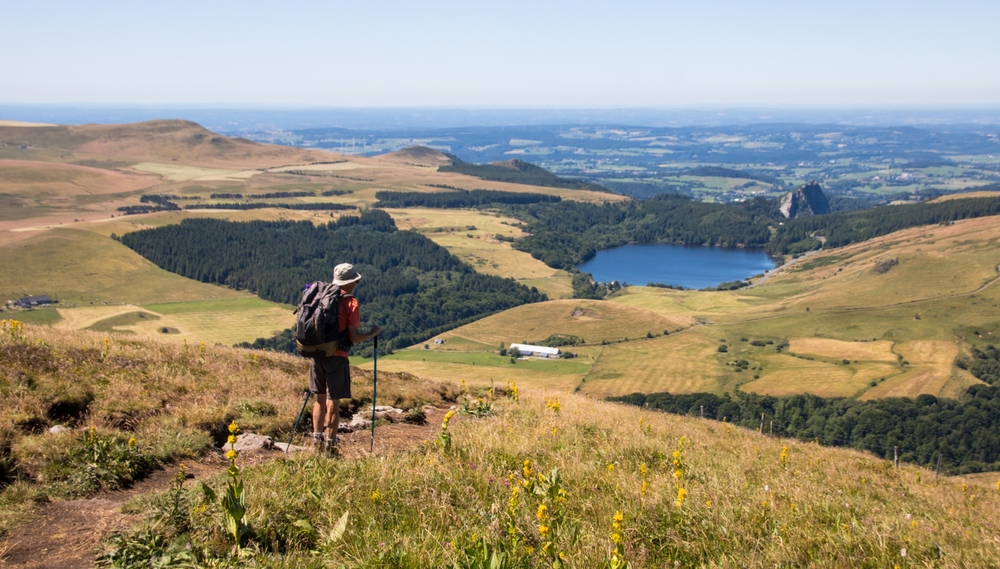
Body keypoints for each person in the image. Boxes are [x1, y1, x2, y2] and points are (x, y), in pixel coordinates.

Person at [310, 263, 381, 452]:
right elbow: (354, 337)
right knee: (333, 400)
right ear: (351, 282)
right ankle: (330, 445)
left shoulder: (320, 296)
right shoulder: (351, 303)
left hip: (317, 353)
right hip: (337, 355)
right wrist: (372, 333)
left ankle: (316, 441)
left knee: (319, 398)